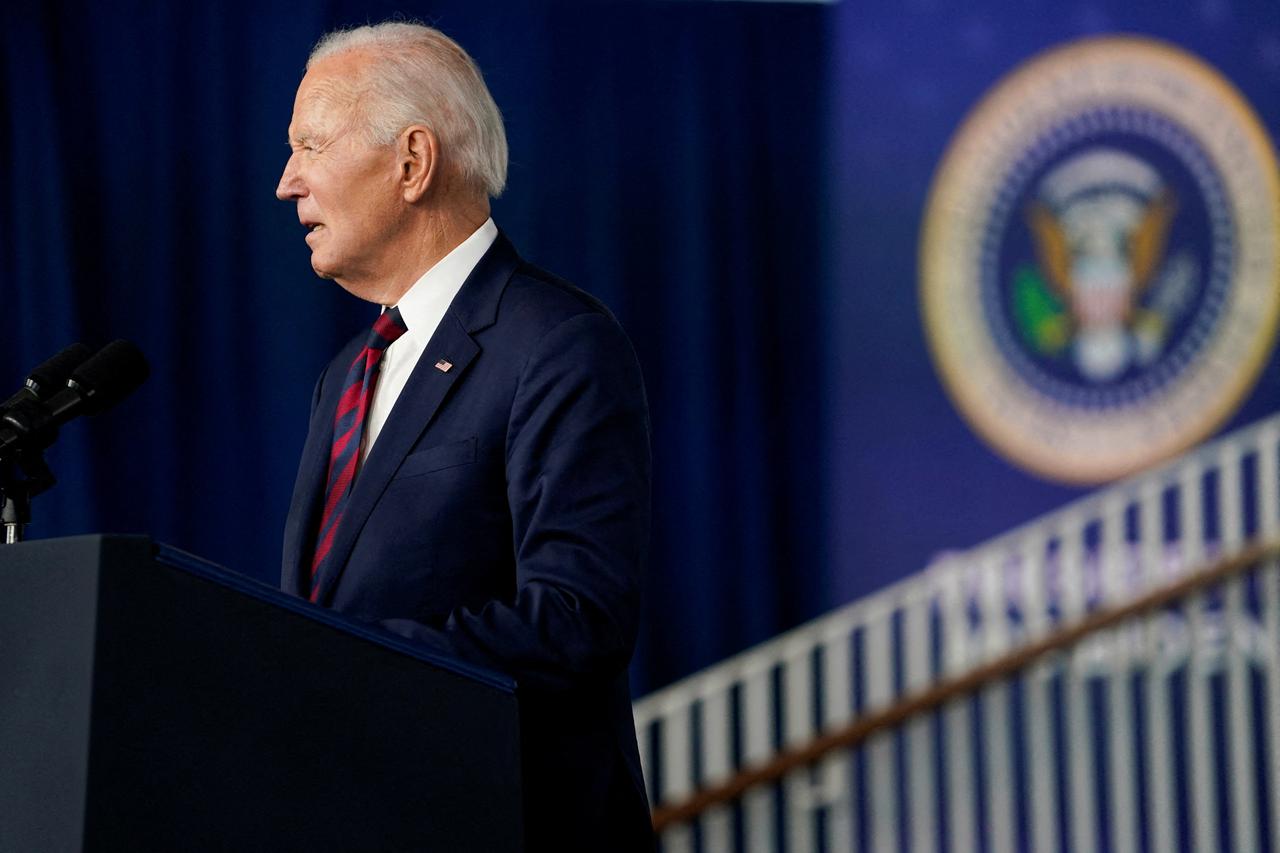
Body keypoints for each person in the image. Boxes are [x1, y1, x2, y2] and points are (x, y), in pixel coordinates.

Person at [275, 22, 655, 850]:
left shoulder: (556, 343)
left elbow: (577, 619)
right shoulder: (345, 374)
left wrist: (328, 657)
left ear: (412, 162)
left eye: (310, 144)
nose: (286, 182)